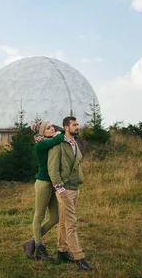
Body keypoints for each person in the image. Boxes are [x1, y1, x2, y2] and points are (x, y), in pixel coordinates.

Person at [47, 116, 95, 271]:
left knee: (63, 222)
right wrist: (60, 188)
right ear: (66, 127)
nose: (77, 127)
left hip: (75, 187)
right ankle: (79, 257)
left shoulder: (74, 143)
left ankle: (62, 251)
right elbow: (53, 169)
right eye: (74, 125)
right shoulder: (58, 145)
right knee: (71, 223)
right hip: (65, 189)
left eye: (77, 124)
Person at [21, 120, 64, 262]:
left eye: (52, 126)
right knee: (39, 216)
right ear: (42, 132)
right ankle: (40, 249)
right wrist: (60, 132)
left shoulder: (51, 140)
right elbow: (60, 137)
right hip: (43, 183)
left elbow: (69, 135)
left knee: (55, 217)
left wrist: (61, 132)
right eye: (48, 128)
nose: (52, 129)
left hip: (51, 184)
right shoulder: (41, 144)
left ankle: (32, 241)